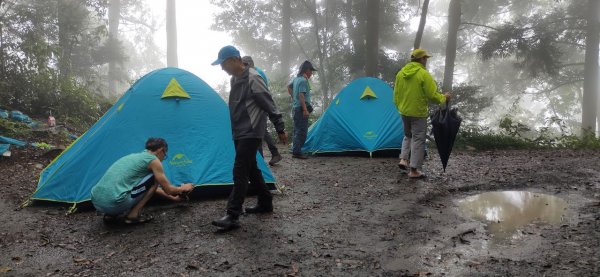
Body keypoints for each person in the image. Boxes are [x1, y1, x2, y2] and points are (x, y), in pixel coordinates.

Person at [211, 45, 288, 230]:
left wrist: (280, 127)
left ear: (235, 60)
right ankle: (265, 202)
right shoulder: (234, 80)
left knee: (240, 170)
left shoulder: (253, 78)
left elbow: (269, 103)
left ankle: (232, 214)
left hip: (252, 131)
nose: (222, 68)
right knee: (252, 168)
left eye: (223, 63)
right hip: (239, 131)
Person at [91, 138, 194, 224]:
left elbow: (149, 188)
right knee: (154, 177)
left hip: (97, 202)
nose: (163, 158)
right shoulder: (153, 160)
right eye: (165, 155)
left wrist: (174, 199)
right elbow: (168, 189)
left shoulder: (132, 157)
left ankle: (110, 215)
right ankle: (133, 215)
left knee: (136, 183)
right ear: (161, 150)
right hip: (115, 204)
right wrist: (183, 188)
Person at [393, 48, 451, 179]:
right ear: (421, 59)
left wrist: (400, 107)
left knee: (408, 135)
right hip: (418, 112)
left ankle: (403, 159)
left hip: (404, 111)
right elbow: (432, 95)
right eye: (425, 58)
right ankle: (414, 170)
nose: (426, 61)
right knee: (419, 139)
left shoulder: (401, 73)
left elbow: (396, 94)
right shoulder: (423, 74)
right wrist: (444, 98)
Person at [241, 56, 283, 166]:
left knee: (259, 131)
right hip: (257, 104)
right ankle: (270, 155)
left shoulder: (255, 73)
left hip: (260, 104)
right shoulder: (253, 72)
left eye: (244, 65)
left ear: (249, 64)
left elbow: (262, 92)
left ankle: (262, 159)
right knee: (262, 130)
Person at [289, 60, 317, 159]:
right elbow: (301, 95)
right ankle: (297, 152)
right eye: (311, 71)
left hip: (296, 108)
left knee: (297, 130)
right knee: (302, 131)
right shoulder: (303, 81)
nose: (312, 73)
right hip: (301, 109)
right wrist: (305, 109)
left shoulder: (297, 79)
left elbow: (289, 87)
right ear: (307, 70)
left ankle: (295, 150)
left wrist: (293, 97)